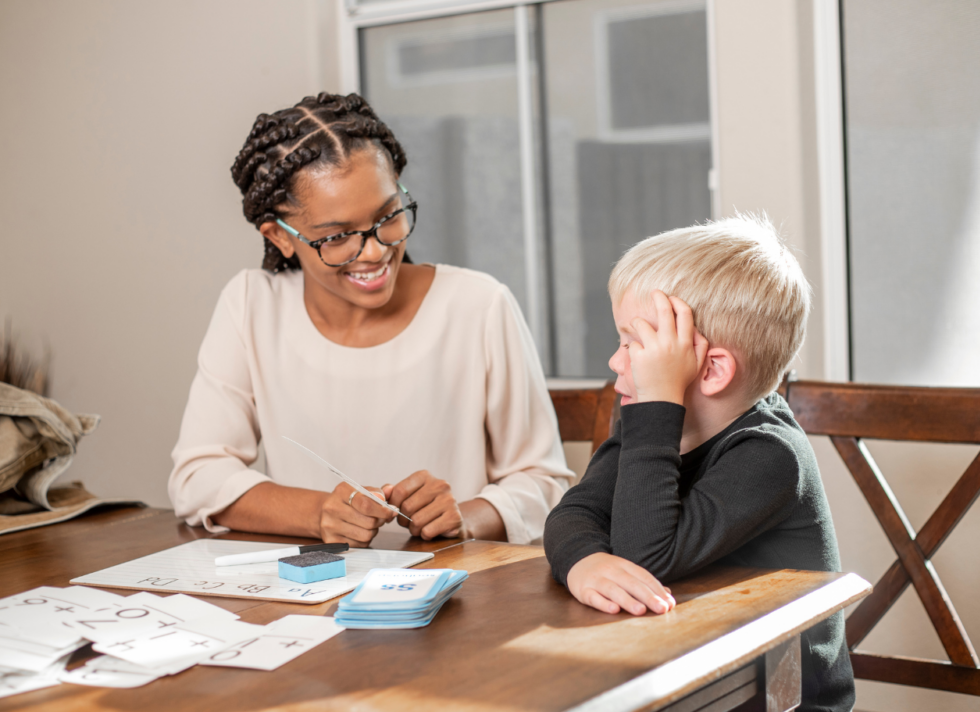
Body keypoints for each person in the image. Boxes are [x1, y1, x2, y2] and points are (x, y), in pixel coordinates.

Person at [169, 92, 572, 547]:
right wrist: (319, 513)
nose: (376, 251)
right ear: (280, 236)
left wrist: (466, 516)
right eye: (338, 236)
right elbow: (197, 478)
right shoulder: (250, 305)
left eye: (388, 216)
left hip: (456, 597)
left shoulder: (479, 305)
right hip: (315, 599)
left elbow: (545, 483)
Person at [543, 214, 854, 712]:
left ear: (710, 369)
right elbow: (574, 513)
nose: (615, 363)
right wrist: (584, 561)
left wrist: (658, 403)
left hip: (780, 698)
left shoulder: (771, 456)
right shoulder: (643, 424)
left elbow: (647, 556)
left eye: (633, 345)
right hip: (682, 671)